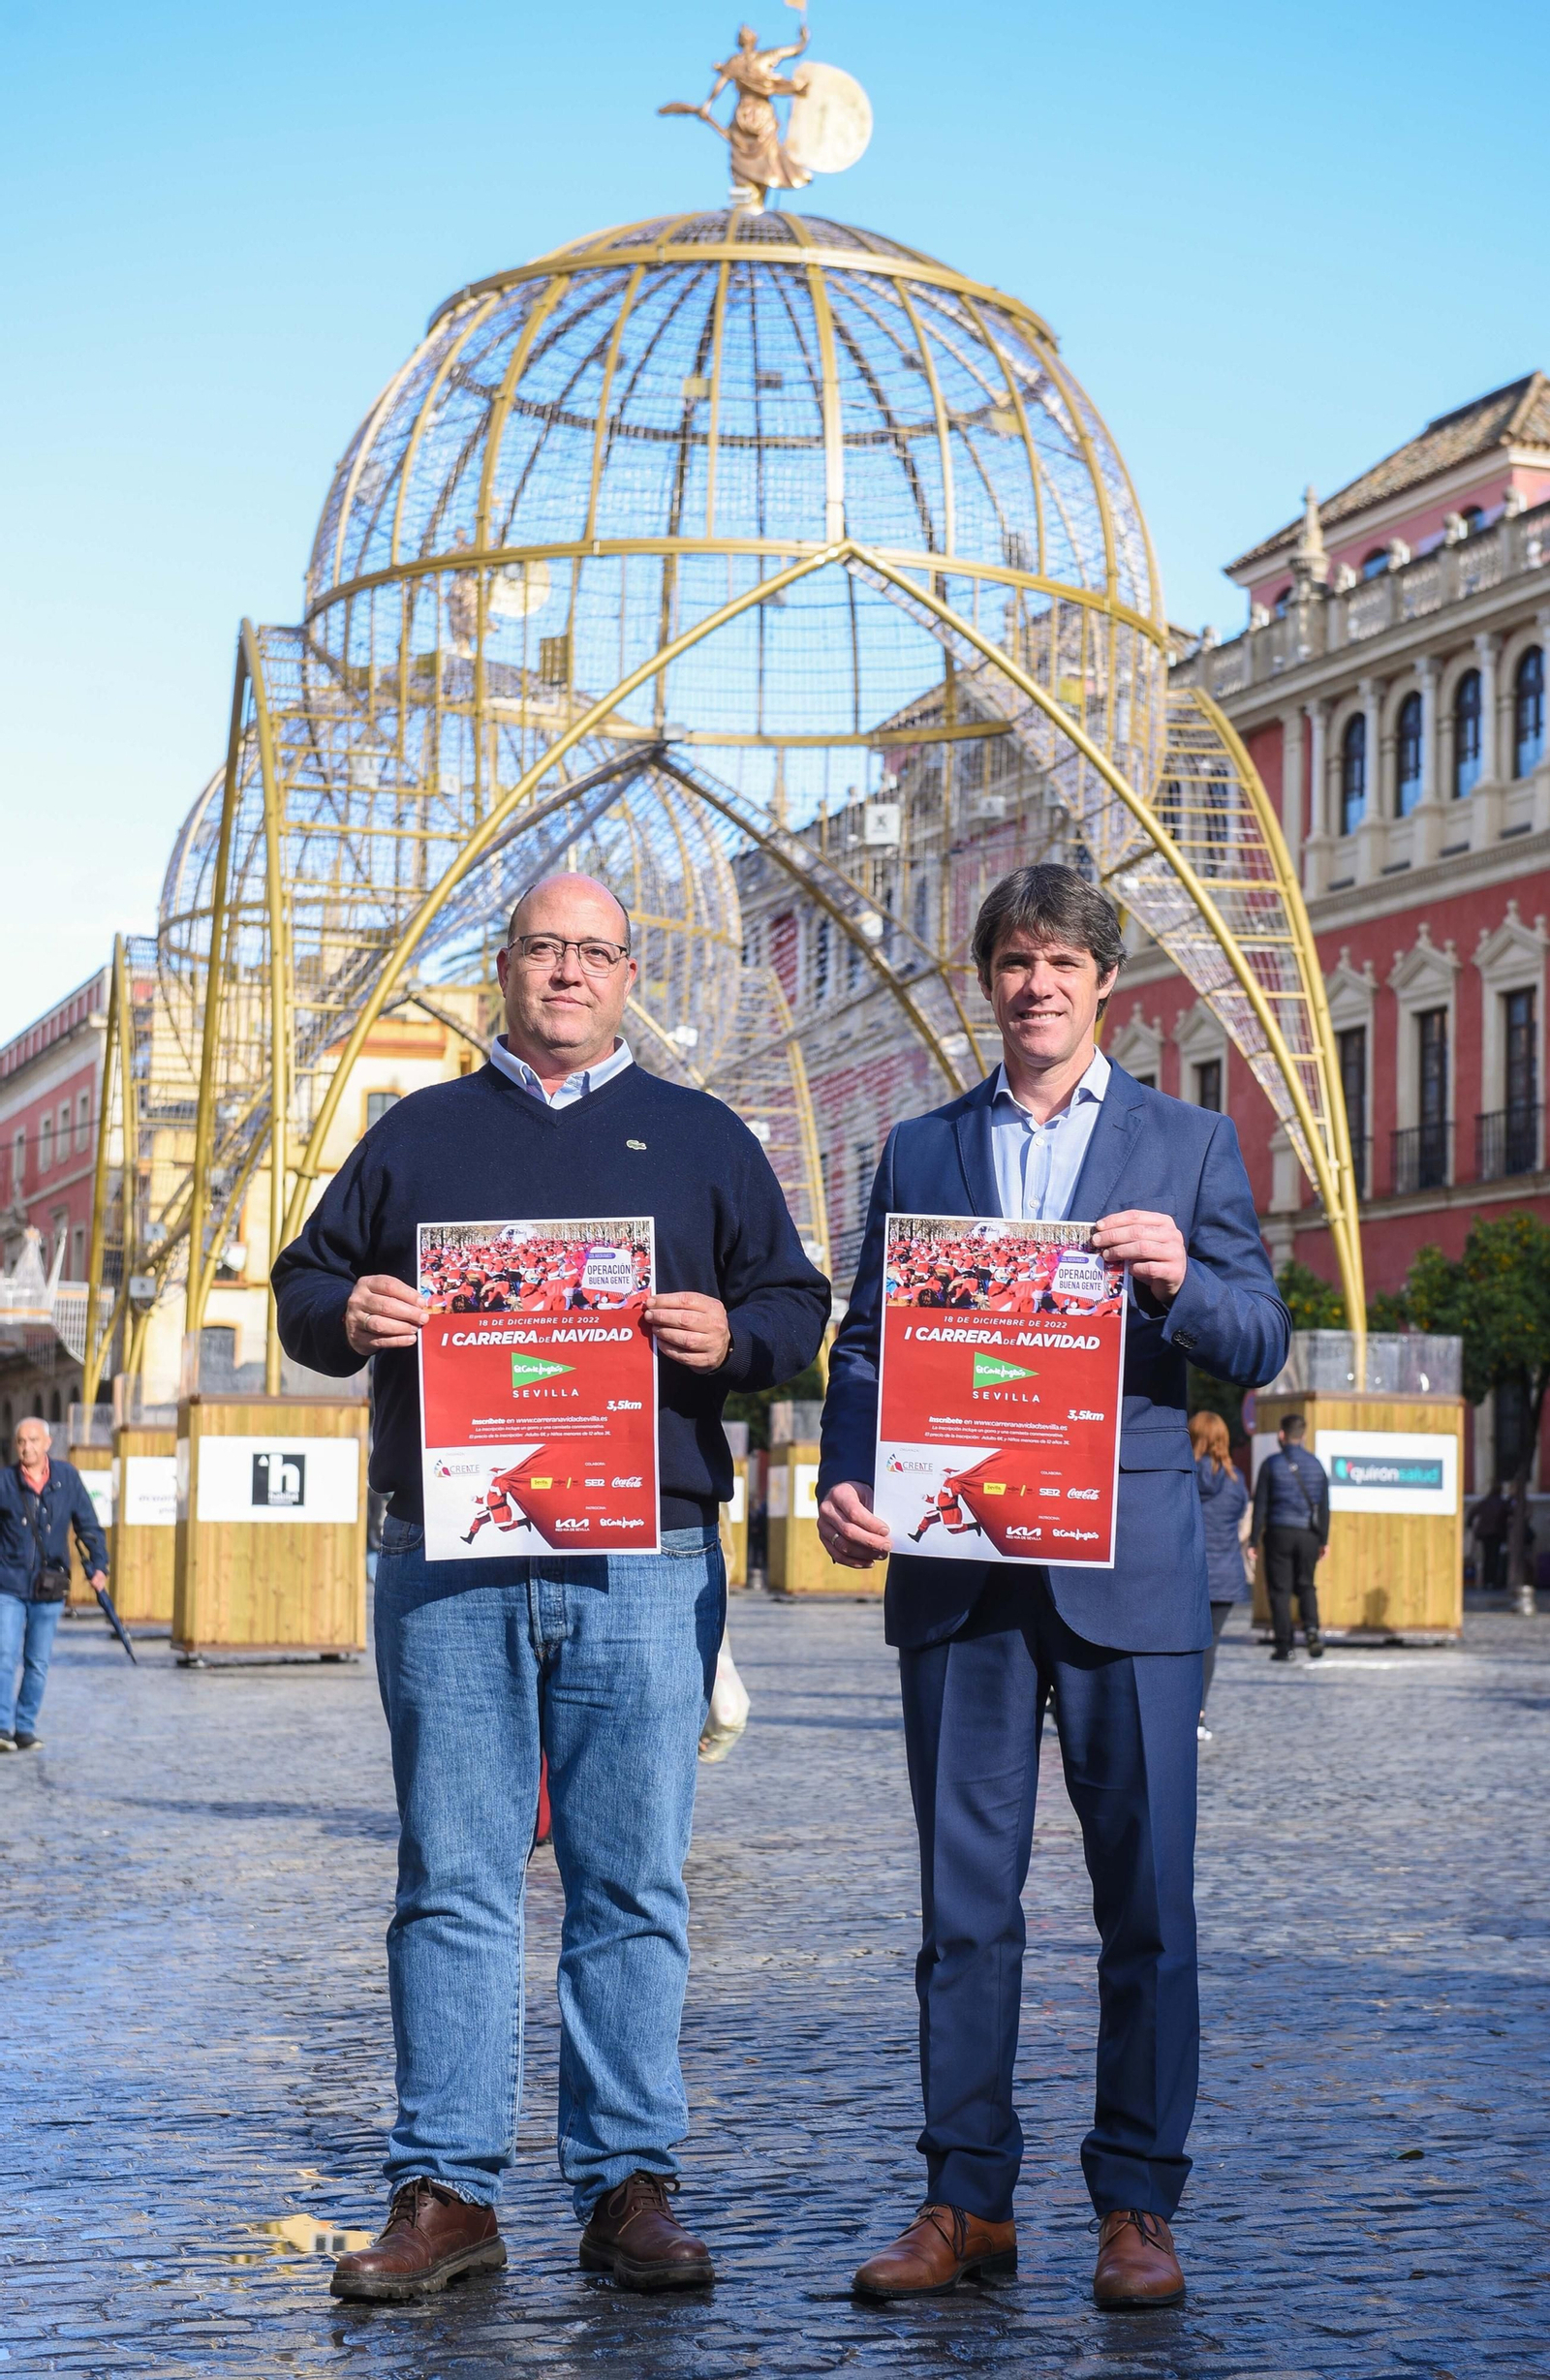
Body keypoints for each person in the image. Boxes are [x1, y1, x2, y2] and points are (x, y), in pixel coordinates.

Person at [272, 873, 828, 2303]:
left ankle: (628, 2183)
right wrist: (349, 1310)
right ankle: (447, 2186)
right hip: (446, 1557)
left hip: (642, 1555)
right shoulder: (416, 1134)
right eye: (542, 948)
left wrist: (730, 1335)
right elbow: (303, 1286)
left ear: (630, 974)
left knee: (629, 1877)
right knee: (451, 1878)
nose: (568, 971)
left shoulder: (704, 1139)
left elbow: (797, 1307)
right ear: (505, 968)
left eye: (594, 951)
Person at [817, 863, 1290, 2312]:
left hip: (1126, 1576)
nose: (1037, 985)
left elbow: (1259, 1338)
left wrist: (1181, 1284)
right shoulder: (921, 1147)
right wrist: (848, 1477)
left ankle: (1138, 2205)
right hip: (957, 1572)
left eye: (1062, 963)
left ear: (1104, 983)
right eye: (1015, 962)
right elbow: (865, 1343)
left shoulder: (1189, 1142)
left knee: (1147, 1906)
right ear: (990, 982)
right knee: (964, 1911)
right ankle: (966, 2200)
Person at [0, 1416, 109, 1751]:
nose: (27, 1447)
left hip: (49, 1585)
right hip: (8, 1583)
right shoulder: (4, 1481)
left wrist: (99, 1565)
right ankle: (2, 1728)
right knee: (4, 1655)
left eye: (33, 1440)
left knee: (38, 1661)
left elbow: (88, 1525)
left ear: (47, 1443)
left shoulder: (67, 1478)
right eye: (21, 1441)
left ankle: (25, 1728)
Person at [1189, 1411, 1251, 1739]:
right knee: (1209, 1646)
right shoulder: (1236, 1480)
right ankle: (1198, 1715)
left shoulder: (1183, 1476)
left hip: (1187, 1573)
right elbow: (1240, 1518)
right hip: (1226, 1574)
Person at [1251, 1413, 1328, 1661]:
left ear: (1281, 1435)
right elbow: (1324, 1508)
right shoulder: (1316, 1465)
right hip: (1308, 1535)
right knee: (1306, 1584)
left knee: (1280, 1590)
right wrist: (1323, 1539)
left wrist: (1253, 1540)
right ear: (1303, 1435)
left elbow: (1260, 1506)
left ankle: (1285, 1646)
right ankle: (1312, 1629)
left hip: (1279, 1533)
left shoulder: (1271, 1464)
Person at [1470, 1481, 1509, 1591]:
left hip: (1485, 1534)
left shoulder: (1485, 1502)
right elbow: (1510, 1513)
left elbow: (1473, 1512)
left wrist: (1469, 1524)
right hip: (1497, 1533)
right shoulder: (1502, 1503)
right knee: (1495, 1557)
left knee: (1487, 1556)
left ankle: (1486, 1580)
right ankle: (1493, 1581)